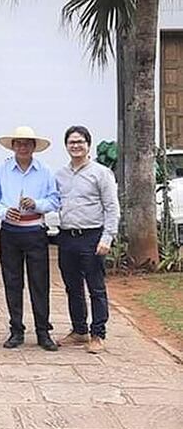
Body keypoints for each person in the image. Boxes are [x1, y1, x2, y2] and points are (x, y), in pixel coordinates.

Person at [0, 126, 60, 351]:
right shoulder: (2, 171)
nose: (23, 147)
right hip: (10, 231)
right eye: (19, 143)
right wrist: (3, 211)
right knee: (12, 282)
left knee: (40, 282)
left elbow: (54, 200)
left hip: (35, 230)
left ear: (34, 147)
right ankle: (16, 329)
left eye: (27, 143)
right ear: (13, 146)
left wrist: (36, 204)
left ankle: (43, 330)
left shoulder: (45, 171)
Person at [55, 125, 120, 354]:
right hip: (67, 237)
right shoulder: (60, 175)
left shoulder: (101, 173)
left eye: (80, 142)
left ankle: (98, 333)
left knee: (96, 288)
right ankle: (79, 329)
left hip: (92, 237)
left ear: (88, 145)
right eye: (71, 142)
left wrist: (107, 237)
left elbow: (111, 207)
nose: (76, 146)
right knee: (72, 287)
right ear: (66, 146)